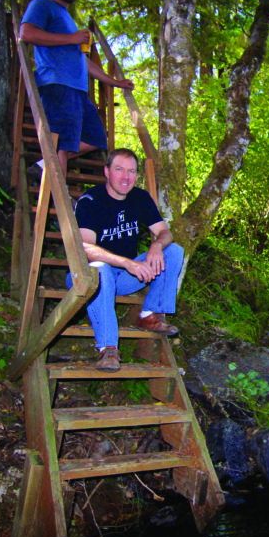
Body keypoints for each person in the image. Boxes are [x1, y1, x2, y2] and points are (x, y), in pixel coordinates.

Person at [67, 148, 183, 372]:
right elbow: (86, 248)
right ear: (106, 171)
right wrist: (128, 263)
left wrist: (157, 245)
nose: (125, 177)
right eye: (119, 169)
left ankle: (150, 314)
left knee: (174, 250)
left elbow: (165, 232)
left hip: (124, 278)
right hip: (88, 277)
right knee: (101, 268)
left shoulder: (140, 197)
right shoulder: (90, 200)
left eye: (131, 171)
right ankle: (108, 348)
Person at [19, 0, 134, 177]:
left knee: (96, 138)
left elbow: (83, 61)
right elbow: (26, 33)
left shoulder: (68, 19)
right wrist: (71, 38)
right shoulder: (43, 5)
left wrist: (114, 82)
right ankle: (60, 202)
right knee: (62, 143)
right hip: (58, 85)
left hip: (78, 92)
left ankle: (43, 166)